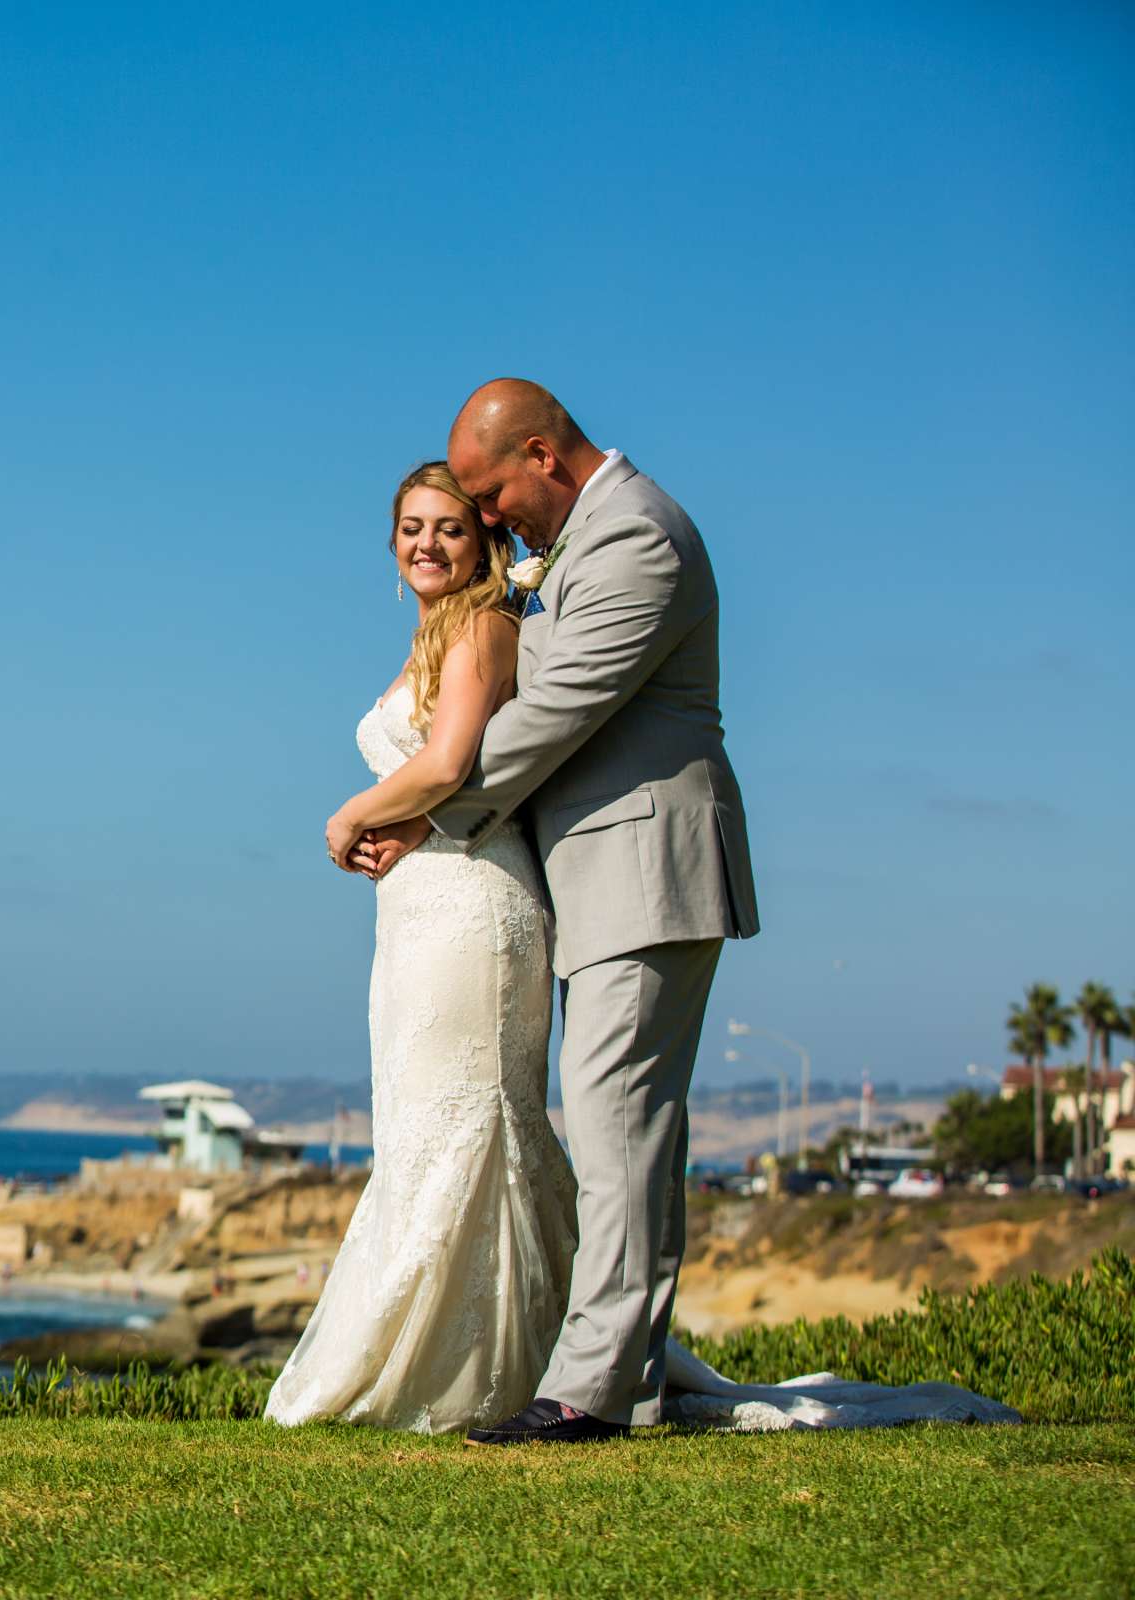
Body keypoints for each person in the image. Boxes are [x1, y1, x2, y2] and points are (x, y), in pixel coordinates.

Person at [274, 385, 1017, 1438]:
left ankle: (594, 1391)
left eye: (489, 498)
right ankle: (588, 1365)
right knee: (609, 1122)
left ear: (543, 454)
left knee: (620, 1124)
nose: (489, 524)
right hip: (591, 877)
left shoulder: (638, 539)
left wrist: (414, 814)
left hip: (647, 869)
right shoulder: (579, 542)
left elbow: (552, 715)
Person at [262, 458, 577, 1434]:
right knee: (422, 1123)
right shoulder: (431, 632)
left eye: (446, 525)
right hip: (420, 906)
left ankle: (476, 1372)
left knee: (471, 1121)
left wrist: (349, 815)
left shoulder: (486, 624)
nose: (427, 543)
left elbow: (448, 762)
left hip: (475, 908)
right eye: (410, 527)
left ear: (482, 538)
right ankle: (478, 1358)